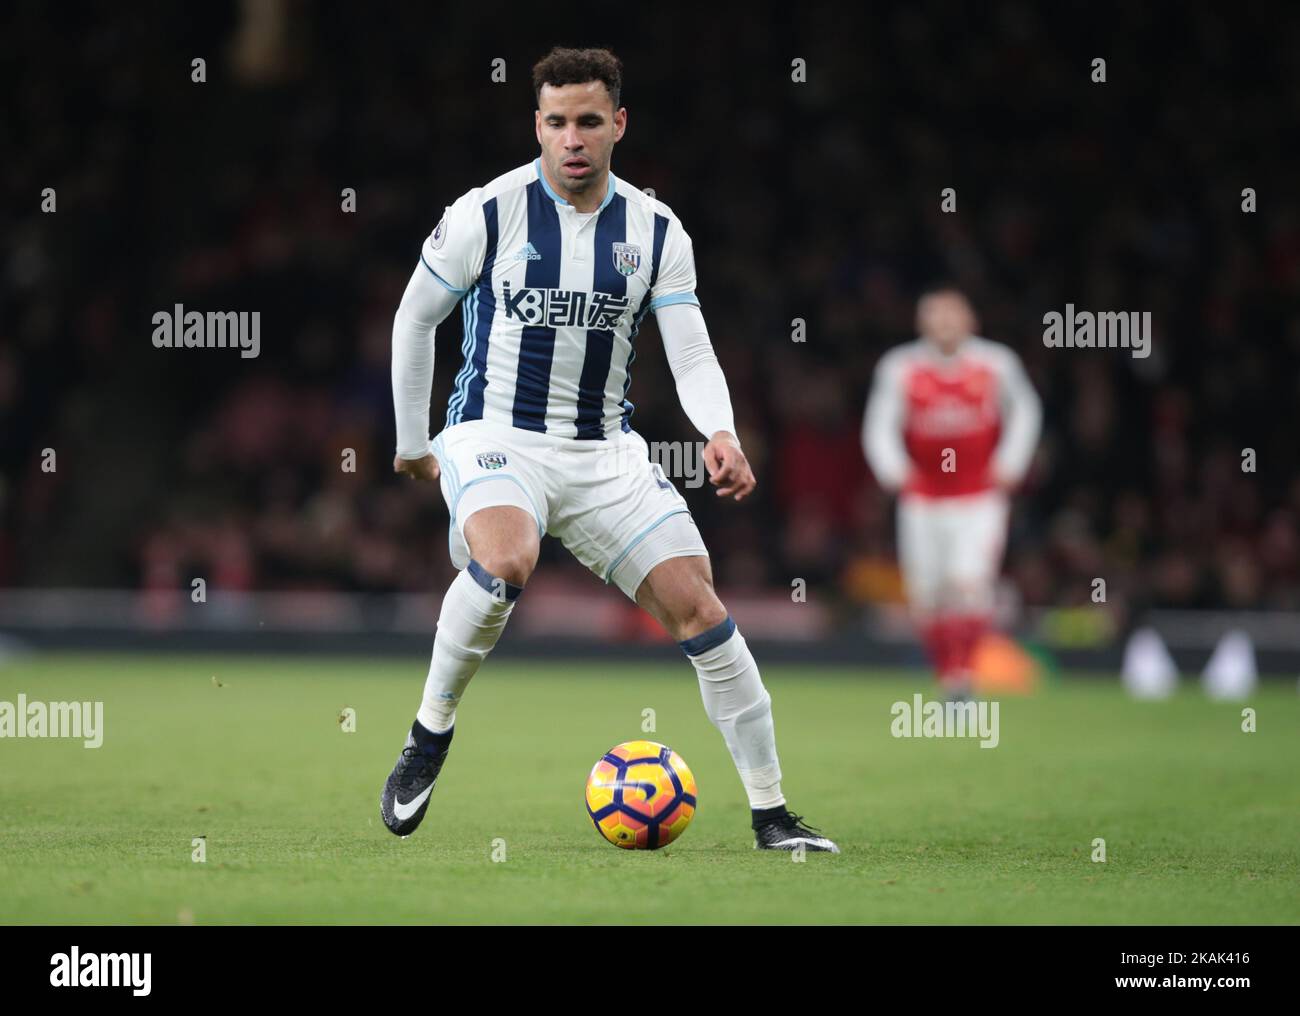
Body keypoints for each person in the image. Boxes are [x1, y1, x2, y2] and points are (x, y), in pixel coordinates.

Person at [382, 46, 838, 853]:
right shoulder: (487, 212)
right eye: (556, 122)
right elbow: (415, 317)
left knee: (702, 611)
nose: (573, 139)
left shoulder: (657, 230)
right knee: (504, 561)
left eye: (589, 121)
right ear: (537, 126)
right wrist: (414, 442)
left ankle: (772, 817)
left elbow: (690, 350)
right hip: (496, 435)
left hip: (605, 453)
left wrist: (720, 431)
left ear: (618, 124)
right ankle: (430, 733)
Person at [863, 286, 1041, 698]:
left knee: (969, 583)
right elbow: (879, 423)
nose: (943, 324)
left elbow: (1027, 411)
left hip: (978, 497)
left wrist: (1011, 463)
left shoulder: (996, 363)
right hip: (923, 498)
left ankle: (963, 674)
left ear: (970, 320)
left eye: (951, 315)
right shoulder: (900, 366)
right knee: (927, 594)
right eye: (934, 316)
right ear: (921, 322)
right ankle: (948, 673)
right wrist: (893, 470)